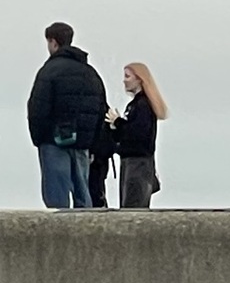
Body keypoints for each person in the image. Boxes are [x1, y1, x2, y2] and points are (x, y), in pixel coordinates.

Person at [26, 22, 110, 207]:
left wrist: (39, 138)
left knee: (57, 196)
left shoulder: (49, 71)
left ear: (53, 42)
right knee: (83, 192)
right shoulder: (90, 73)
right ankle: (85, 233)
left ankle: (57, 235)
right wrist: (93, 142)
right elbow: (101, 110)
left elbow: (37, 108)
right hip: (82, 143)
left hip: (53, 141)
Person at [115, 62, 169, 208]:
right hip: (133, 162)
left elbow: (138, 135)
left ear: (139, 79)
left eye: (128, 76)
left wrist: (118, 123)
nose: (124, 80)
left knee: (133, 208)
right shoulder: (136, 105)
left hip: (138, 163)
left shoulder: (142, 106)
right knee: (130, 206)